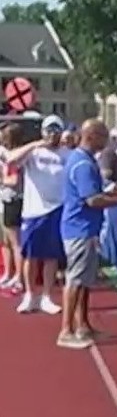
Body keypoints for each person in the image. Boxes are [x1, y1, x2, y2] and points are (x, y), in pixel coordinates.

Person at [58, 119, 117, 349]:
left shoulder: (83, 160)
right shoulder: (82, 164)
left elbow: (96, 193)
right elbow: (92, 199)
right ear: (91, 136)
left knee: (84, 279)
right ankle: (66, 330)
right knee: (75, 279)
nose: (107, 141)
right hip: (79, 228)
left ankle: (82, 325)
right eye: (103, 136)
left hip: (85, 227)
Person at [4, 115, 72, 314]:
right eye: (49, 130)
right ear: (42, 132)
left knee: (51, 257)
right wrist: (36, 144)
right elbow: (11, 159)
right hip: (33, 211)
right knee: (30, 256)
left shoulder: (67, 154)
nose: (52, 134)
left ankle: (47, 297)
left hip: (56, 209)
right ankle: (30, 296)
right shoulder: (33, 152)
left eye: (56, 130)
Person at [0, 123, 25, 294]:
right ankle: (8, 273)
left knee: (16, 243)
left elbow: (14, 180)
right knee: (5, 241)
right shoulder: (5, 154)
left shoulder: (14, 157)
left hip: (13, 200)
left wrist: (1, 179)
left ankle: (19, 277)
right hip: (4, 200)